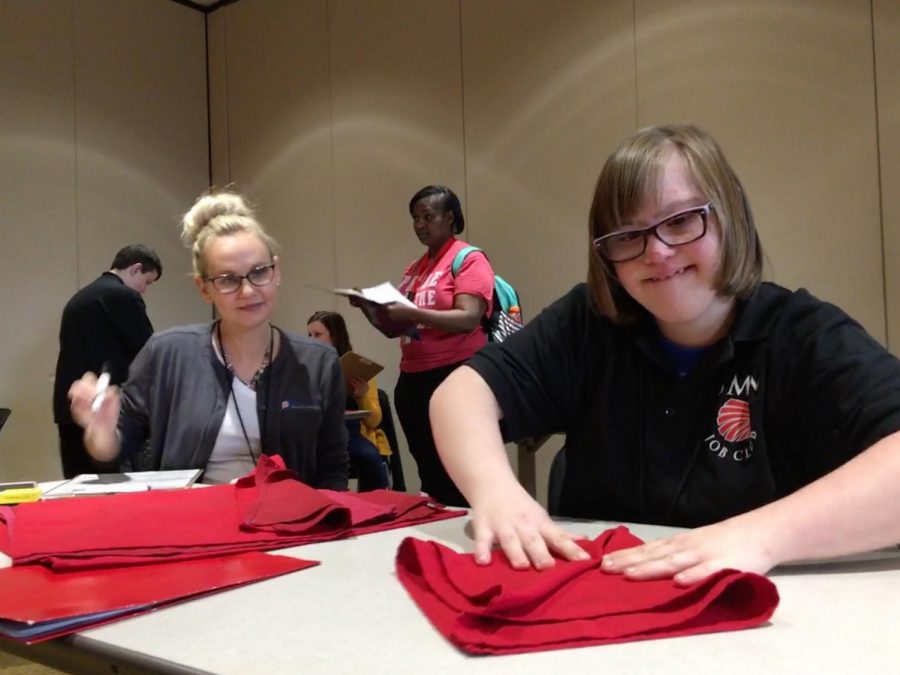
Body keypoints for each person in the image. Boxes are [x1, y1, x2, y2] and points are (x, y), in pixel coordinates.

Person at [430, 124, 900, 585]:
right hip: (602, 609)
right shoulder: (587, 322)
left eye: (679, 221)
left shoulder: (803, 334)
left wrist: (763, 535)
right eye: (627, 236)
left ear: (729, 217)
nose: (655, 252)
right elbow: (459, 395)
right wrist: (497, 492)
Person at [68, 191, 348, 488]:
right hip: (193, 522)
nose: (248, 291)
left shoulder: (318, 362)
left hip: (292, 525)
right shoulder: (167, 354)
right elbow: (114, 447)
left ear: (275, 271)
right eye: (228, 279)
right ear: (204, 288)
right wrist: (99, 432)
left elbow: (332, 467)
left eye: (259, 272)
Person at [361, 185, 494, 506]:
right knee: (430, 472)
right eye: (415, 218)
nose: (420, 224)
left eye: (428, 216)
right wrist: (373, 312)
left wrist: (412, 311)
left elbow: (468, 317)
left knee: (460, 470)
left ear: (449, 218)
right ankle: (441, 533)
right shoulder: (415, 268)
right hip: (414, 379)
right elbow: (402, 328)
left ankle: (471, 535)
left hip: (454, 375)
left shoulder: (467, 259)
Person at [53, 245, 162, 478]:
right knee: (110, 483)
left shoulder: (81, 298)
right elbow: (149, 350)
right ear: (136, 269)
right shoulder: (123, 296)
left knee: (78, 482)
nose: (144, 290)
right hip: (104, 409)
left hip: (71, 405)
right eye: (147, 282)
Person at [307, 310, 391, 491]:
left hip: (351, 434)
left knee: (370, 457)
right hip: (316, 434)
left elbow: (374, 420)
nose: (311, 340)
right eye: (309, 335)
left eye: (317, 335)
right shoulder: (305, 367)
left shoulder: (357, 367)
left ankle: (374, 507)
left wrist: (361, 397)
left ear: (335, 337)